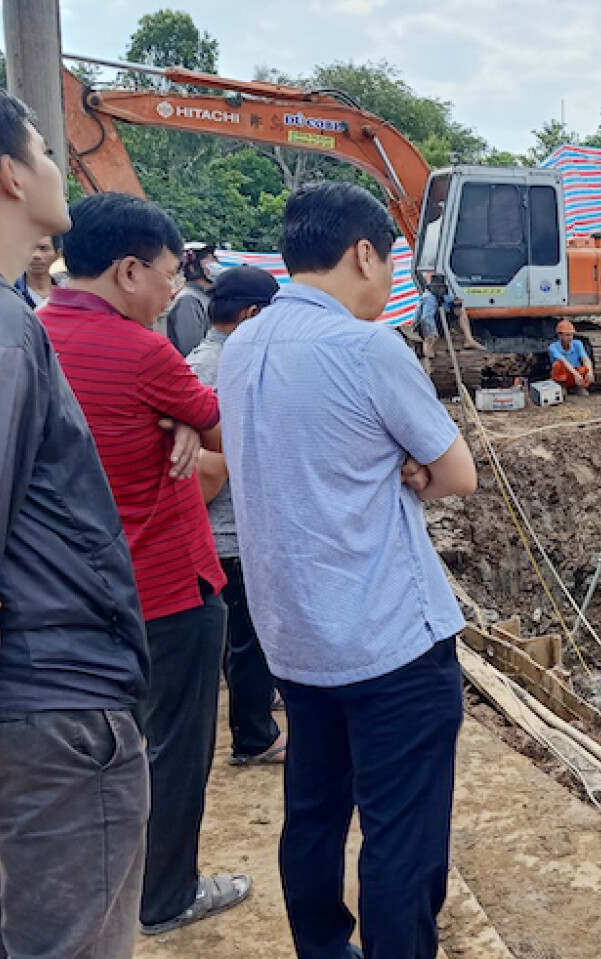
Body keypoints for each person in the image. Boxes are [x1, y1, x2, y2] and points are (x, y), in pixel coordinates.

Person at [218, 180, 478, 959]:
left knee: (315, 813)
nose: (393, 280)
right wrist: (411, 467)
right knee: (401, 835)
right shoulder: (367, 348)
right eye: (391, 261)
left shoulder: (241, 346)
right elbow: (458, 471)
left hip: (294, 638)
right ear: (364, 253)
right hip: (390, 640)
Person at [0, 73, 150, 959]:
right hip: (53, 703)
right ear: (8, 176)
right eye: (43, 149)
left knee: (25, 924)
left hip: (15, 703)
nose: (60, 165)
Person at [39, 192, 249, 935]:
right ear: (128, 271)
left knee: (107, 752)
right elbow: (234, 435)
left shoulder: (33, 336)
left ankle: (110, 887)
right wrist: (191, 433)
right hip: (167, 586)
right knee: (176, 747)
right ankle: (167, 894)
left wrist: (185, 431)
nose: (174, 290)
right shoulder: (142, 351)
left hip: (74, 595)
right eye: (167, 274)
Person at [185, 265, 287, 768]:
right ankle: (255, 736)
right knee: (251, 635)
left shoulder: (191, 362)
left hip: (201, 530)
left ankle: (257, 704)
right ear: (251, 315)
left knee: (230, 634)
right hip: (236, 527)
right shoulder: (238, 368)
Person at [164, 240, 220, 357]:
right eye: (210, 259)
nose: (216, 263)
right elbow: (191, 351)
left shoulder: (205, 297)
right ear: (193, 268)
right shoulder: (188, 300)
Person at [549, 319, 595, 394]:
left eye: (571, 334)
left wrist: (590, 371)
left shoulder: (577, 344)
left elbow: (585, 358)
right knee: (558, 365)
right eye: (567, 335)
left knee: (584, 369)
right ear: (560, 335)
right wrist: (576, 374)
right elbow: (563, 361)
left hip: (574, 373)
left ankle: (579, 387)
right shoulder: (553, 347)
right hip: (563, 374)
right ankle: (561, 386)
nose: (570, 337)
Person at [12, 233, 58, 308]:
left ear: (58, 254)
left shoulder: (66, 294)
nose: (36, 255)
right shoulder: (11, 293)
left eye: (43, 248)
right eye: (30, 248)